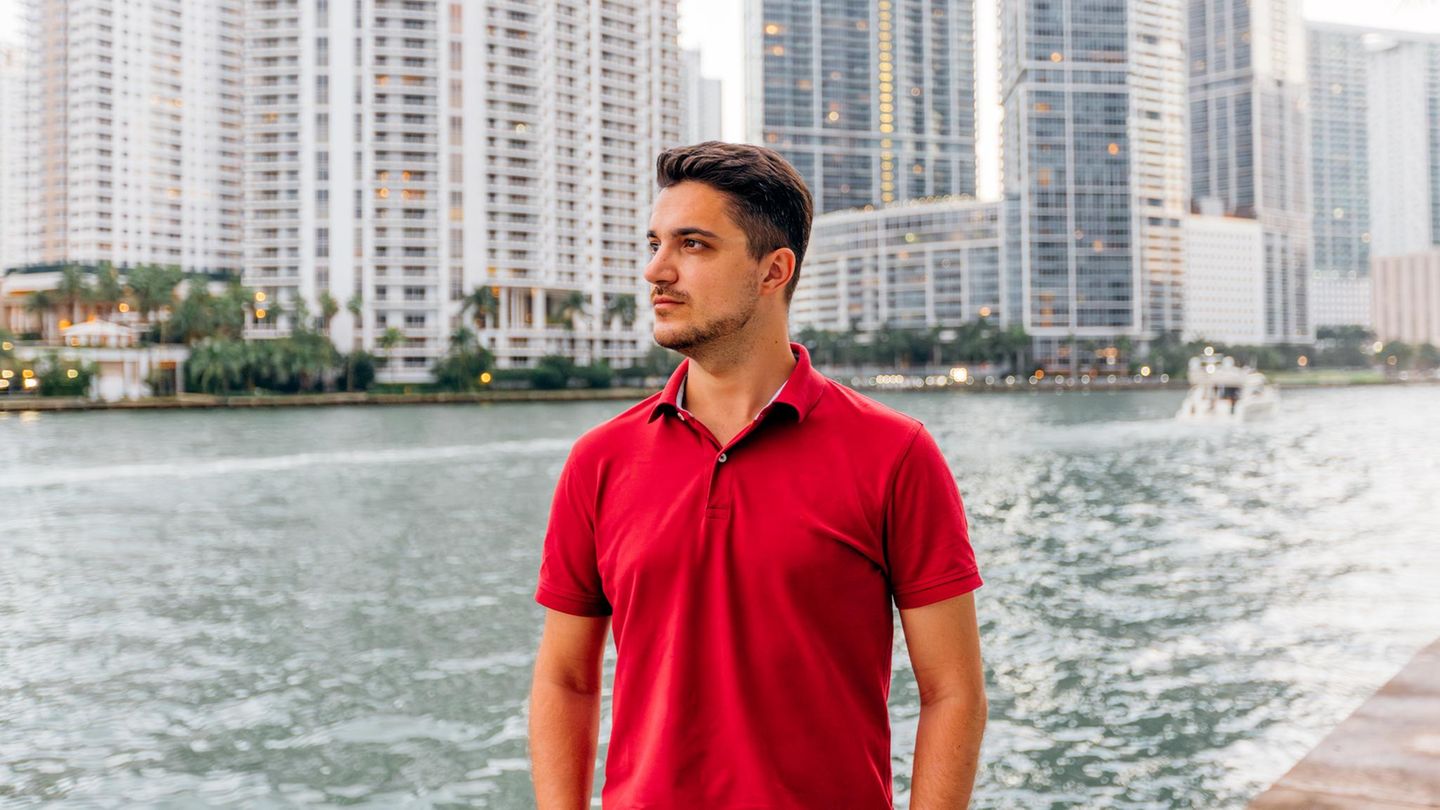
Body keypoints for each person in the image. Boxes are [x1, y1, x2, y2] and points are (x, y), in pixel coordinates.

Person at [528, 141, 986, 809]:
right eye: (655, 243)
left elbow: (954, 691)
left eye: (693, 245)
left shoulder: (896, 455)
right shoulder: (600, 460)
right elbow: (565, 679)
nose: (657, 269)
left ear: (774, 271)